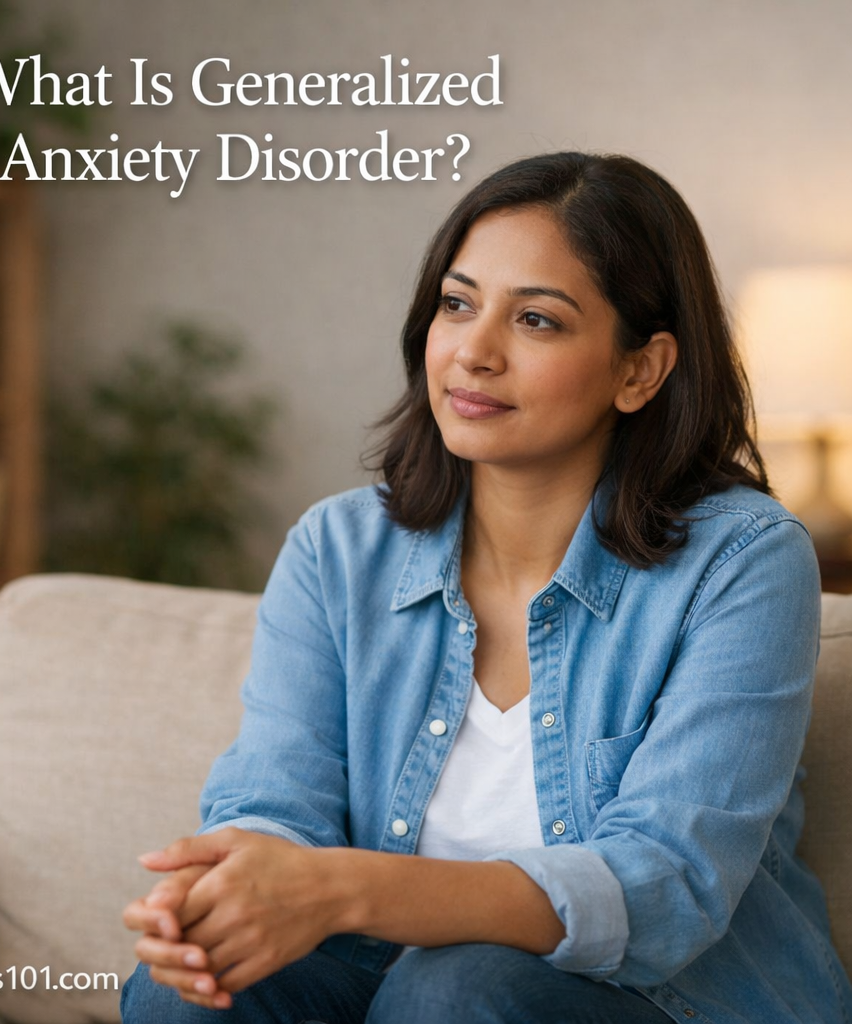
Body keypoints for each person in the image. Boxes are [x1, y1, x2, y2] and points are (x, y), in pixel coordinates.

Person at [120, 152, 852, 1024]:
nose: (473, 351)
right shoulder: (337, 549)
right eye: (457, 305)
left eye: (537, 320)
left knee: (458, 990)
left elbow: (666, 885)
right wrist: (233, 886)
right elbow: (276, 803)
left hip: (659, 999)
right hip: (382, 979)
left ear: (640, 371)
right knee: (191, 993)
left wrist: (349, 888)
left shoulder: (744, 561)